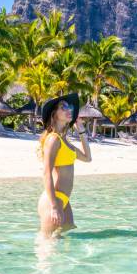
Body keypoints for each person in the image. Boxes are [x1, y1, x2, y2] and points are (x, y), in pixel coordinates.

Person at [36, 93, 92, 239]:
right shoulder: (53, 139)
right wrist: (54, 206)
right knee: (46, 245)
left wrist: (81, 130)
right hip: (53, 199)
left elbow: (88, 158)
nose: (70, 109)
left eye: (71, 107)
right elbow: (46, 173)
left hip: (64, 200)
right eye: (64, 107)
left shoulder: (65, 142)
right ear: (54, 115)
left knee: (65, 235)